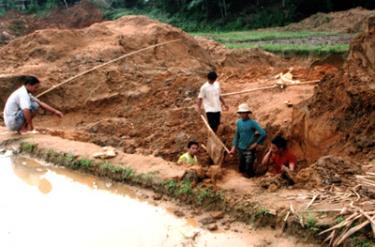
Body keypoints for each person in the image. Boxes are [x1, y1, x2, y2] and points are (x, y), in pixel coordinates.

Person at [229, 103, 266, 177]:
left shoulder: (253, 123)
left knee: (249, 167)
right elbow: (237, 135)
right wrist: (233, 148)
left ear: (248, 113)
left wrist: (256, 144)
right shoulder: (238, 122)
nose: (242, 114)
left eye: (244, 113)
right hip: (240, 148)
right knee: (241, 167)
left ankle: (251, 180)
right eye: (241, 113)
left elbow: (263, 133)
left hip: (249, 148)